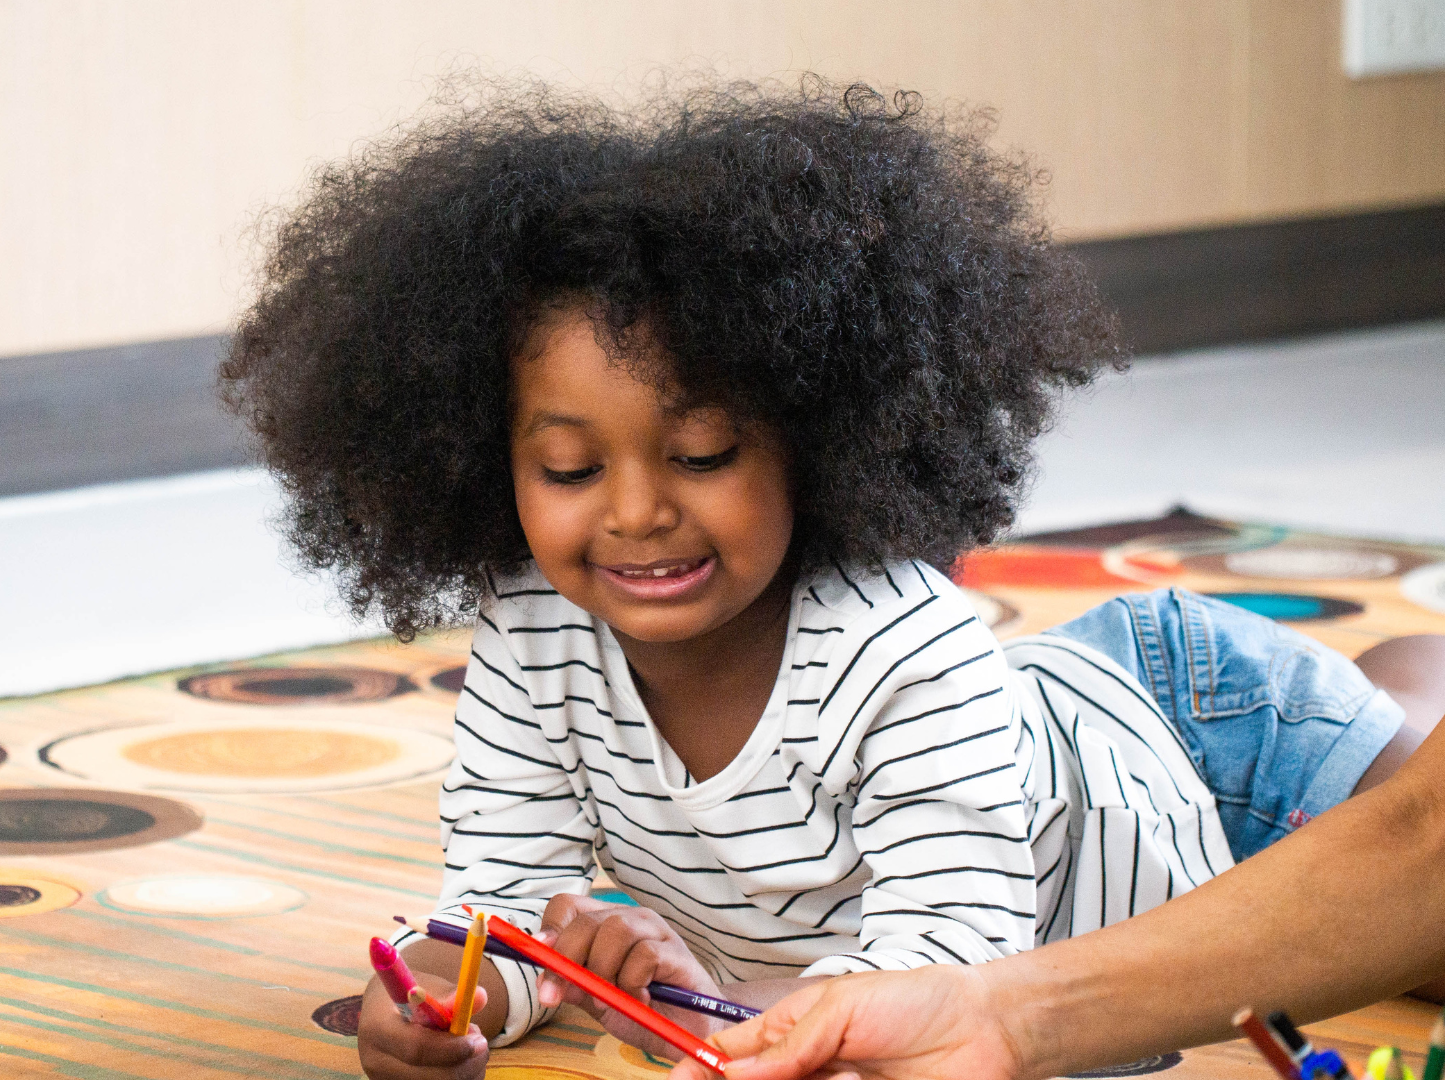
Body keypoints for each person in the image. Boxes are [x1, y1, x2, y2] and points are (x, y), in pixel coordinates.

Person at [216, 76, 1443, 1080]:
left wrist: (712, 1000)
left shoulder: (900, 652)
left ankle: (1407, 680)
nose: (638, 510)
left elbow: (942, 975)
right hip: (1037, 724)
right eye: (569, 465)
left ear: (814, 430)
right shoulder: (533, 638)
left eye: (701, 453)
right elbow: (499, 907)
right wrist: (453, 996)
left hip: (1210, 755)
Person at [668, 647, 1445, 1080]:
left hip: (1113, 730)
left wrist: (989, 1015)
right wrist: (989, 1016)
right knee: (1394, 716)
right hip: (1168, 728)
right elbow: (1424, 841)